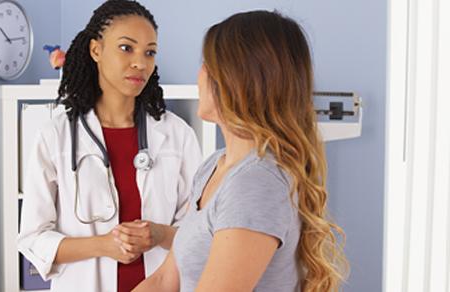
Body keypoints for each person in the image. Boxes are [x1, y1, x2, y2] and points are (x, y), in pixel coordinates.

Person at [134, 10, 348, 292]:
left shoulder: (256, 183)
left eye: (206, 64)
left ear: (235, 80)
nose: (199, 75)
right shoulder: (214, 166)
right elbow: (164, 282)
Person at [17, 1, 202, 291]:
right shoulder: (56, 136)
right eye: (126, 48)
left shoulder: (177, 135)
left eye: (149, 52)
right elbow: (32, 237)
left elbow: (200, 233)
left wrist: (159, 235)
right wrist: (103, 245)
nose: (140, 62)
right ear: (96, 50)